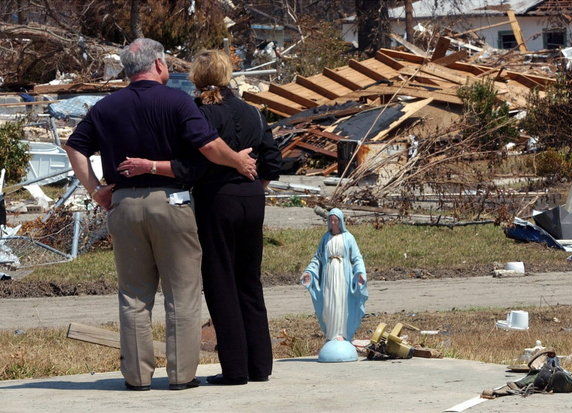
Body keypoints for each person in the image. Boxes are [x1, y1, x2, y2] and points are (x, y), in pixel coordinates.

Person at [65, 39, 257, 391]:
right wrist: (238, 160)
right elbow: (209, 147)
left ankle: (137, 377)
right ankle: (181, 376)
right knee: (181, 293)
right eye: (166, 62)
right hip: (172, 202)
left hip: (123, 205)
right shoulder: (179, 101)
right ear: (157, 65)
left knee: (134, 295)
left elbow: (74, 146)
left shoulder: (106, 106)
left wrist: (96, 190)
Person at [118, 49, 281, 385]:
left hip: (217, 199)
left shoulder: (197, 112)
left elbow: (194, 163)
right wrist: (252, 181)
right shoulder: (254, 112)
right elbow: (273, 160)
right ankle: (260, 365)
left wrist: (156, 167)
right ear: (228, 74)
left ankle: (235, 369)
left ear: (195, 77)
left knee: (220, 281)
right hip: (252, 197)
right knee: (250, 281)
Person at [301, 208, 368, 342]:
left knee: (341, 301)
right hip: (329, 275)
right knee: (329, 303)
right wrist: (309, 271)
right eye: (330, 220)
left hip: (343, 275)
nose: (333, 223)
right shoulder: (326, 238)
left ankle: (342, 334)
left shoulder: (348, 238)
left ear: (340, 221)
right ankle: (331, 334)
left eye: (335, 220)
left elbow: (356, 258)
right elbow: (317, 258)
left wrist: (360, 272)